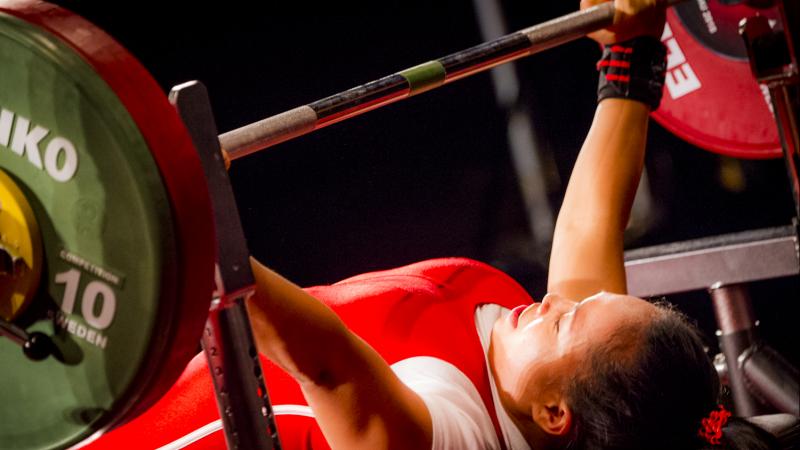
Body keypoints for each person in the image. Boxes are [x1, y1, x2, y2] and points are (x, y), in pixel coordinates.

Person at [86, 0, 779, 449]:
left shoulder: (461, 435)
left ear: (554, 415)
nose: (558, 300)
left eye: (567, 319)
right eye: (590, 301)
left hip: (123, 418)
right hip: (149, 337)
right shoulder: (566, 376)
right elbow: (588, 230)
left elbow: (334, 370)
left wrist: (199, 223)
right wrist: (632, 54)